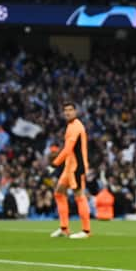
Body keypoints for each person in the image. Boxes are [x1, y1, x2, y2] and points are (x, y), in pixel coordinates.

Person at [48, 102, 91, 239]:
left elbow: (68, 149)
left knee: (79, 196)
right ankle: (64, 228)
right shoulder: (70, 126)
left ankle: (86, 231)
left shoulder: (76, 127)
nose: (67, 112)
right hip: (68, 166)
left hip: (77, 167)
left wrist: (54, 164)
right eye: (65, 110)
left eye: (70, 110)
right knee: (59, 193)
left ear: (76, 111)